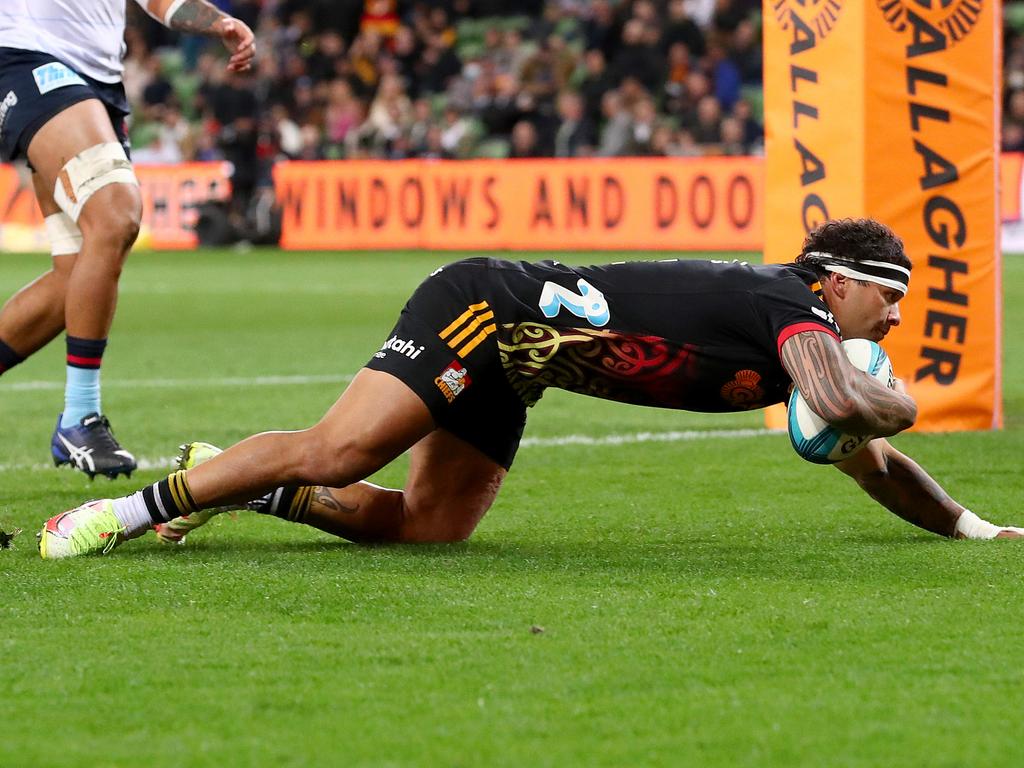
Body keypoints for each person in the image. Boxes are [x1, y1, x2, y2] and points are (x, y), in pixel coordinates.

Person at [37, 218, 1024, 557]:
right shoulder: (789, 304)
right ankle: (115, 516)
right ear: (837, 284)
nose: (891, 322)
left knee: (431, 529)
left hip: (520, 366)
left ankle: (240, 484)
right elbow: (857, 412)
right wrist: (896, 392)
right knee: (343, 449)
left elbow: (873, 463)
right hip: (487, 308)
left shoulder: (802, 339)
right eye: (886, 303)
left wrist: (975, 529)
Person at [0, 0, 254, 478]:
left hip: (98, 82)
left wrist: (216, 21)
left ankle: (79, 416)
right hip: (28, 57)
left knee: (74, 275)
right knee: (115, 216)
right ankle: (80, 416)